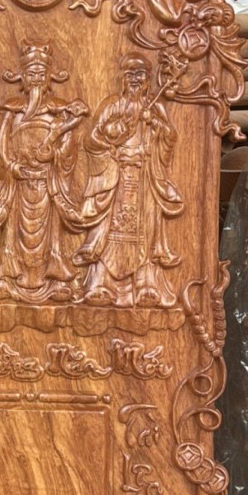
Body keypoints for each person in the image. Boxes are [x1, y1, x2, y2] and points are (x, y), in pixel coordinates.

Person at [0, 42, 88, 301]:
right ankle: (8, 277)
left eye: (41, 74)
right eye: (31, 74)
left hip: (47, 183)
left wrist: (55, 155)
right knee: (13, 232)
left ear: (48, 78)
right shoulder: (13, 109)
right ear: (23, 78)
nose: (36, 79)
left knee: (50, 234)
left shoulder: (59, 110)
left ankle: (54, 280)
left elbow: (68, 145)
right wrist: (12, 166)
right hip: (19, 184)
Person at [72, 54, 183, 306]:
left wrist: (154, 124)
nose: (135, 80)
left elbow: (170, 138)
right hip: (117, 177)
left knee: (146, 231)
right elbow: (92, 139)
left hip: (144, 178)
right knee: (108, 231)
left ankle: (144, 285)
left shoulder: (155, 108)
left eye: (140, 75)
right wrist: (113, 140)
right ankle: (100, 283)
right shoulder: (113, 106)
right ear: (122, 78)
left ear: (148, 79)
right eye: (130, 75)